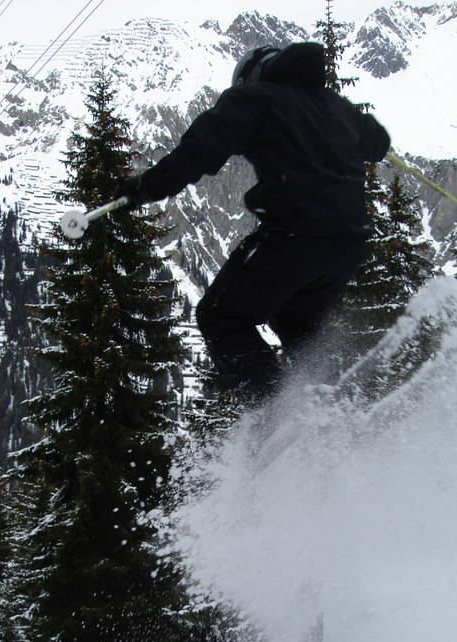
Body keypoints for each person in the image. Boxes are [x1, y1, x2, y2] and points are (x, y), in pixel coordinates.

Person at [114, 41, 391, 406]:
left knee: (219, 315)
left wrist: (142, 190)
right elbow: (379, 142)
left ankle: (277, 412)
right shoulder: (335, 106)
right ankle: (334, 404)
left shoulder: (256, 99)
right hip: (348, 243)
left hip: (295, 235)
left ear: (251, 76)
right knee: (295, 320)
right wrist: (338, 119)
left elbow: (199, 150)